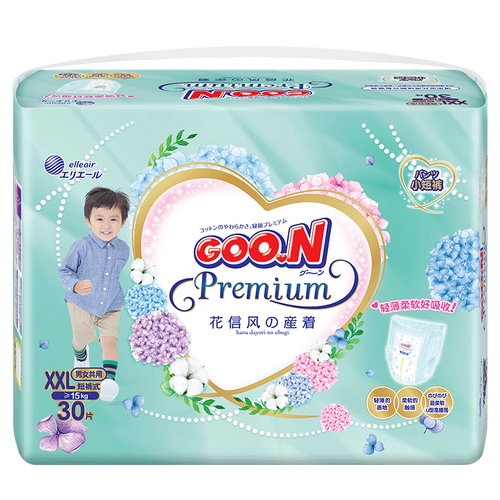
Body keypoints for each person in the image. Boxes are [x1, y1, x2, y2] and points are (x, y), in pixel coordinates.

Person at [58, 187, 130, 402]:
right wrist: (75, 285)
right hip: (82, 304)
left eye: (113, 219)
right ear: (88, 221)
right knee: (81, 340)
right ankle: (81, 354)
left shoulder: (123, 249)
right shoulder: (81, 246)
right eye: (99, 219)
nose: (106, 226)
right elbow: (64, 271)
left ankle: (109, 381)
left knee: (110, 341)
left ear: (123, 222)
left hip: (111, 305)